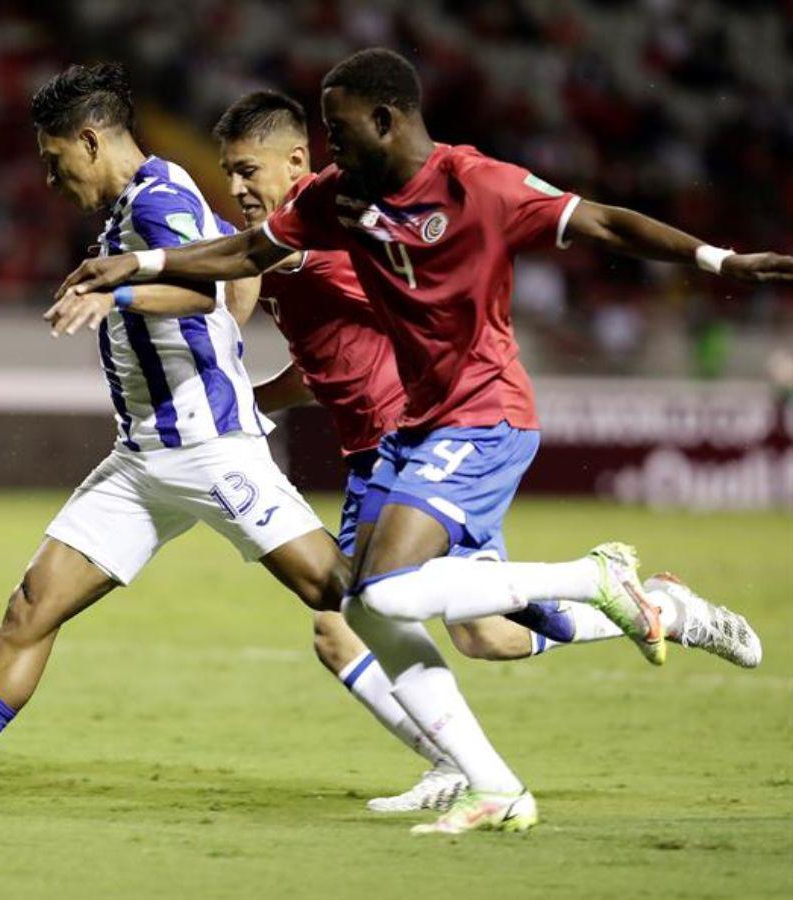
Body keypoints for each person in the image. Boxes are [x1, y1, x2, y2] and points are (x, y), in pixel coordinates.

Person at [56, 49, 780, 834]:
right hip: (413, 438)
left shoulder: (419, 202)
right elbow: (288, 308)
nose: (236, 188)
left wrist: (719, 258)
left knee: (357, 616)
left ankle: (507, 712)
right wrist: (234, 369)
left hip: (432, 432)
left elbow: (596, 220)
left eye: (248, 169)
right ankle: (657, 612)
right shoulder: (333, 208)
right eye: (227, 172)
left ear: (372, 124)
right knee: (485, 633)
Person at [0, 62, 528, 819]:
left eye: (53, 159)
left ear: (90, 141)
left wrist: (116, 290)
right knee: (32, 605)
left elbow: (203, 289)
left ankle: (547, 629)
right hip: (140, 461)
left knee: (357, 602)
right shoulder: (133, 206)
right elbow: (237, 267)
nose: (50, 177)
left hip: (207, 451)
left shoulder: (161, 196)